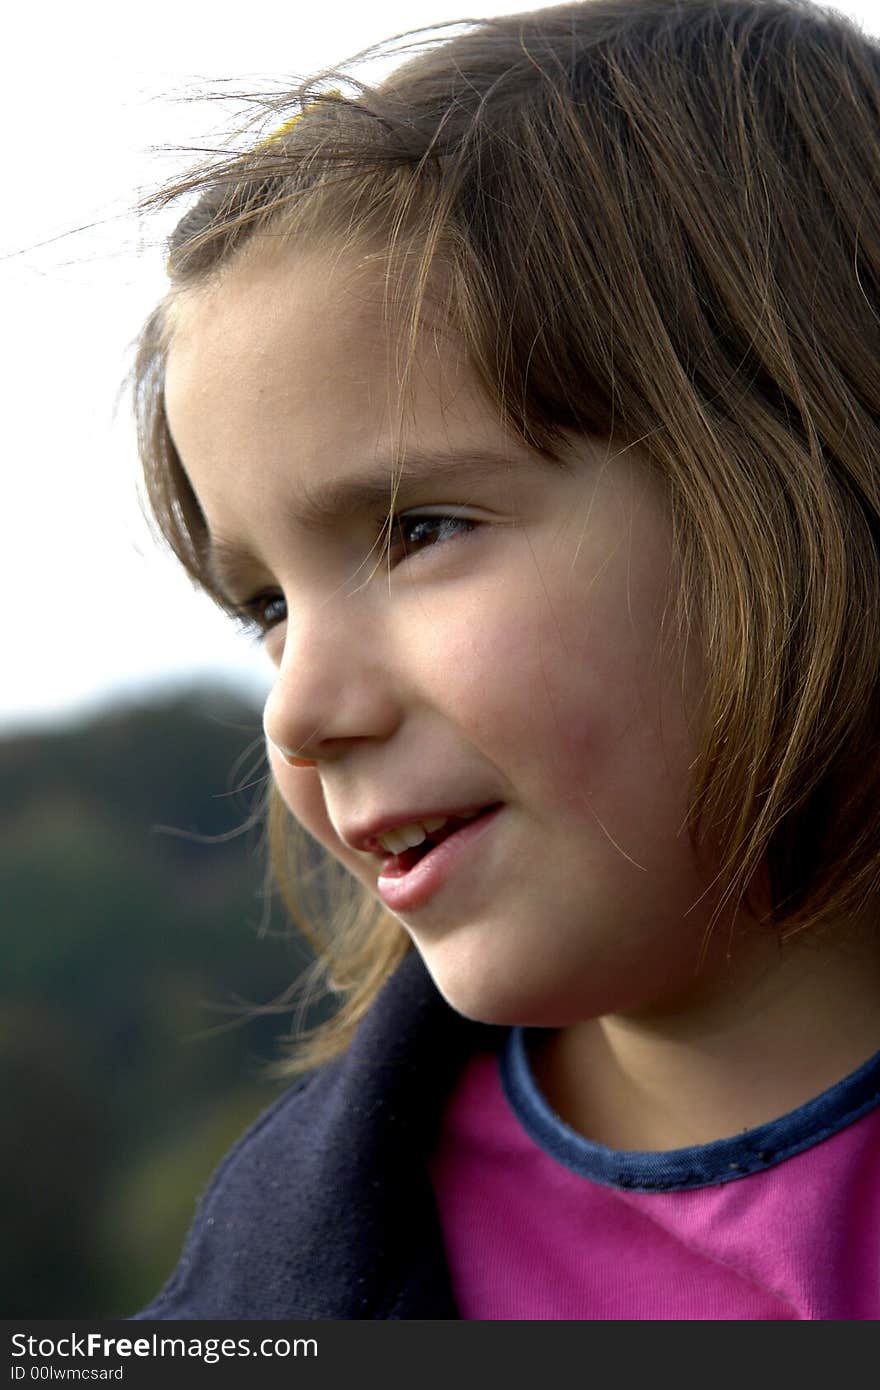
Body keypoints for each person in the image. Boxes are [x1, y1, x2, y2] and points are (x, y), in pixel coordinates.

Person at [130, 0, 880, 1319]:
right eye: (267, 606)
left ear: (804, 472)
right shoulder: (269, 1297)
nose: (299, 709)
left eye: (421, 529)